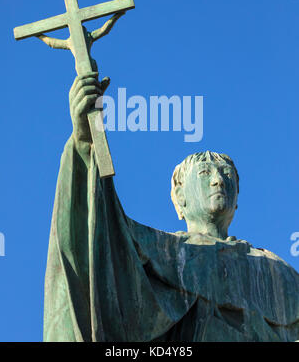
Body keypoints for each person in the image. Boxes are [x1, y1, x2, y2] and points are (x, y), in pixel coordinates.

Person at [44, 72, 299, 342]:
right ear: (179, 195)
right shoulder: (156, 250)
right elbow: (99, 239)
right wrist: (87, 139)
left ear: (238, 199)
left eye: (226, 173)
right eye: (204, 173)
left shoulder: (275, 271)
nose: (217, 181)